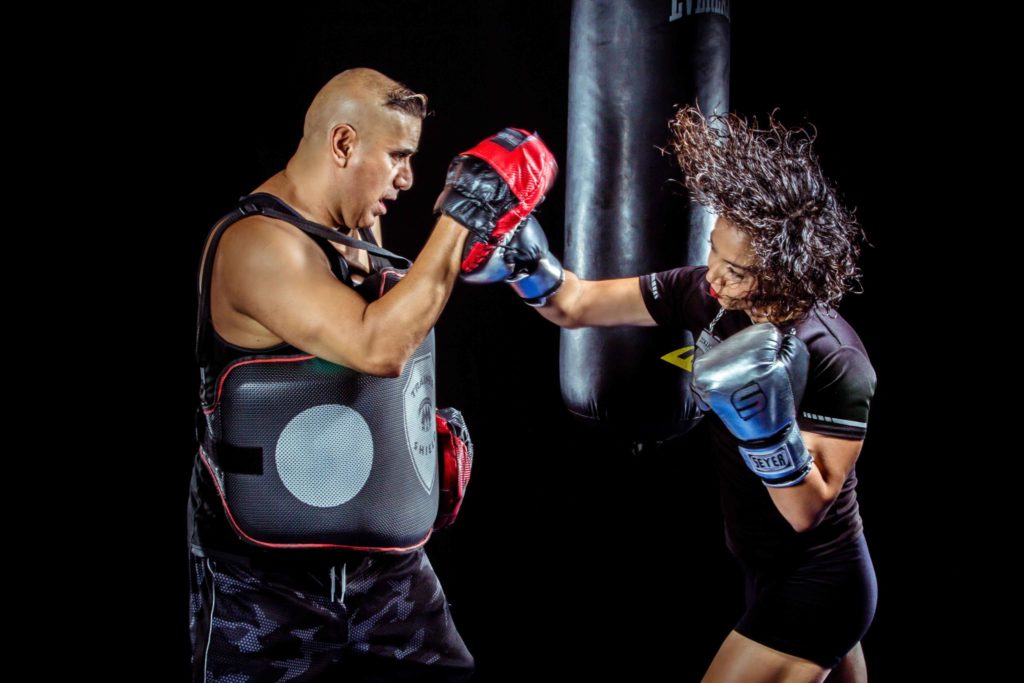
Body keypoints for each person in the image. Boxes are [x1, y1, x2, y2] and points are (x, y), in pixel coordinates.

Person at [188, 67, 556, 681]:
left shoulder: (356, 225)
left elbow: (395, 316)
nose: (408, 179)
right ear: (342, 144)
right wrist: (463, 213)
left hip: (383, 571)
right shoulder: (258, 245)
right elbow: (376, 346)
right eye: (397, 157)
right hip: (261, 583)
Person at [500, 106, 877, 683]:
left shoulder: (835, 357)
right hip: (763, 570)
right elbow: (574, 305)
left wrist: (767, 433)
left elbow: (805, 512)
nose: (714, 276)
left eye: (738, 271)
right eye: (712, 250)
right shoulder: (705, 294)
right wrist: (523, 262)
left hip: (819, 580)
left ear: (784, 272)